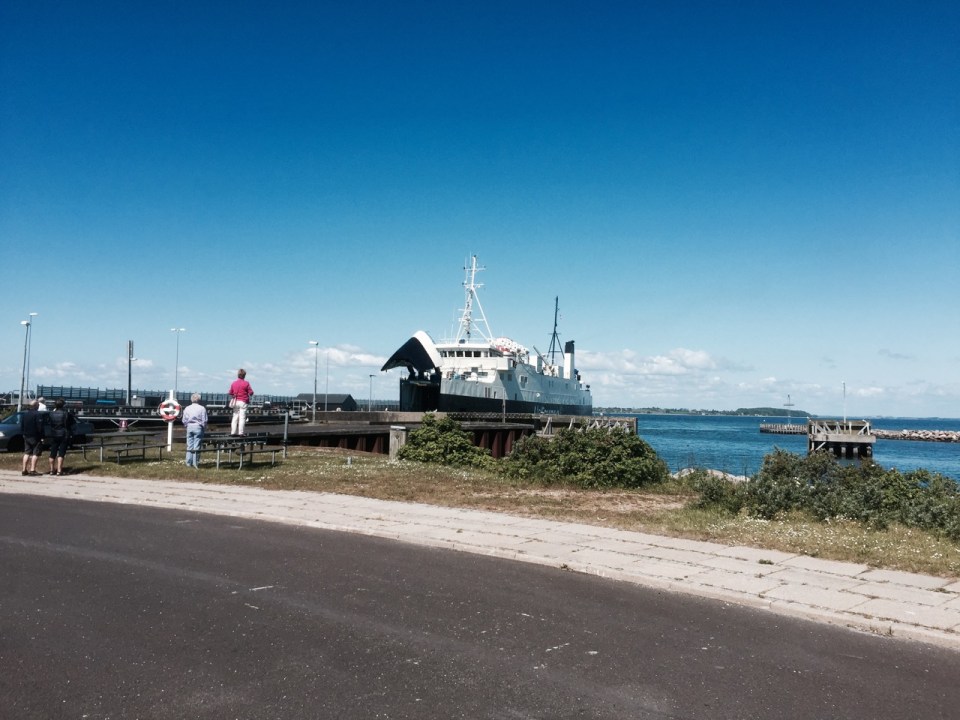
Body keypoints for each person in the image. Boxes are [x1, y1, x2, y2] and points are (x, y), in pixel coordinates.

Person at [46, 398, 76, 476]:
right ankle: (59, 470)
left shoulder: (51, 414)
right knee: (61, 453)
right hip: (64, 434)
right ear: (63, 405)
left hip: (54, 434)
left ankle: (52, 470)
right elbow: (72, 423)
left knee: (53, 452)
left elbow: (49, 423)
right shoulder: (66, 414)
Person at [181, 393, 208, 468]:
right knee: (197, 445)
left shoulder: (187, 408)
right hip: (198, 427)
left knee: (189, 445)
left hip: (189, 427)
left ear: (191, 399)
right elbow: (204, 420)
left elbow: (184, 420)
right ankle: (195, 462)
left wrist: (186, 425)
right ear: (199, 399)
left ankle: (188, 462)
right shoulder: (202, 408)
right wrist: (203, 427)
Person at [20, 400, 46, 476]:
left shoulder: (25, 414)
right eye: (38, 405)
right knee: (36, 453)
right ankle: (32, 470)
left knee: (27, 452)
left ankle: (24, 470)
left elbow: (22, 425)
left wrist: (23, 433)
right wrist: (42, 437)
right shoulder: (38, 415)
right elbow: (40, 427)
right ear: (36, 406)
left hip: (26, 435)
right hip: (35, 436)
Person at [229, 369, 254, 436]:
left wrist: (234, 394)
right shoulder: (246, 383)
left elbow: (230, 392)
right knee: (242, 417)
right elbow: (251, 392)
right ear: (244, 375)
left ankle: (233, 432)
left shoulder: (233, 383)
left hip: (236, 402)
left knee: (235, 417)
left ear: (238, 375)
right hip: (243, 401)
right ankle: (241, 433)